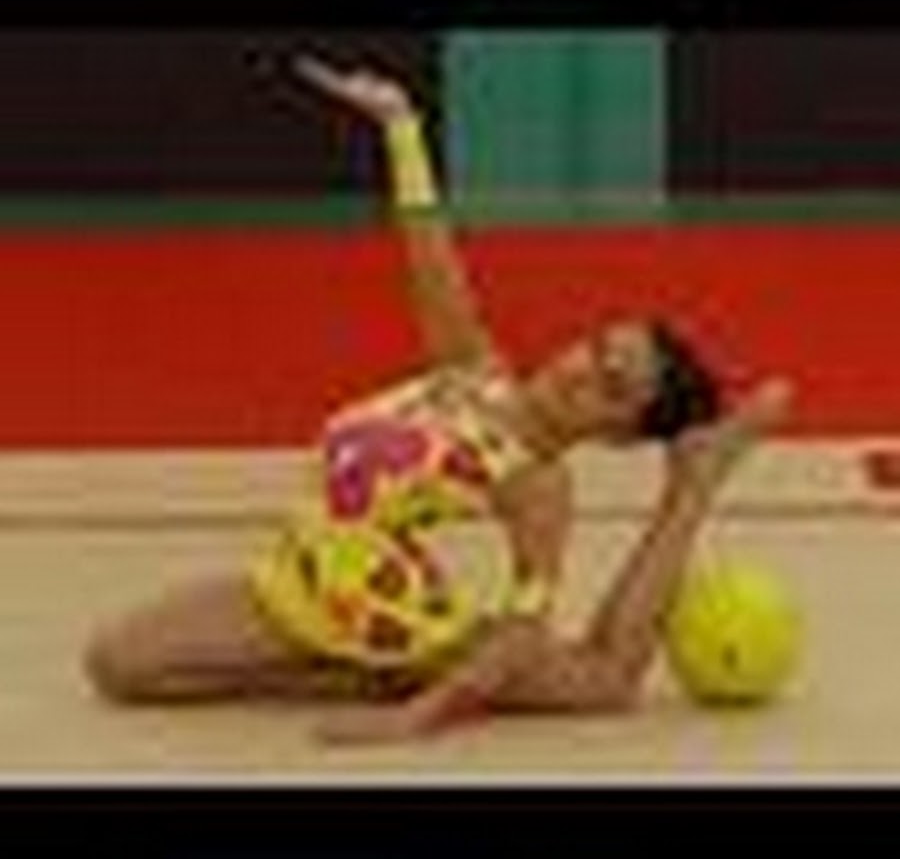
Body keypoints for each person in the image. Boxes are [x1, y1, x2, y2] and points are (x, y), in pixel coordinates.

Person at [82, 56, 792, 744]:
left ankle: (695, 482)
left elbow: (524, 627)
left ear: (619, 433)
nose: (582, 370)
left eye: (612, 387)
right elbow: (426, 245)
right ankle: (353, 672)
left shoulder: (539, 484)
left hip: (397, 628)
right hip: (302, 586)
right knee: (118, 664)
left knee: (601, 679)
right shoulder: (473, 366)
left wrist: (418, 717)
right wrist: (401, 127)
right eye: (597, 346)